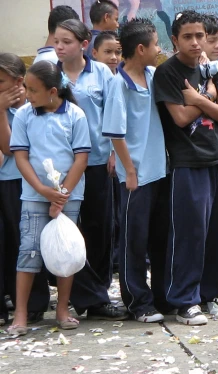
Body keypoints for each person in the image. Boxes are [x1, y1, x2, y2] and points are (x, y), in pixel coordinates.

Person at [153, 10, 218, 325]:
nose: (196, 42)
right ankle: (184, 301)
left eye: (200, 35)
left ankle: (208, 294)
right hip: (188, 163)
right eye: (187, 36)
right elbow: (180, 118)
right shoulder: (168, 74)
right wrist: (207, 96)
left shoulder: (214, 68)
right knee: (190, 233)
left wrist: (197, 98)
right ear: (174, 40)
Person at [8, 62, 90, 335]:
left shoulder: (75, 115)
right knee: (28, 251)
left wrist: (63, 193)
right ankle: (20, 314)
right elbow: (20, 156)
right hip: (34, 195)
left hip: (69, 195)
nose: (27, 95)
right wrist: (43, 190)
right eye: (26, 89)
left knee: (64, 250)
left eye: (33, 90)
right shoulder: (24, 115)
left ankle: (62, 308)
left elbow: (81, 158)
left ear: (53, 91)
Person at [56, 18, 127, 320]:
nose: (59, 47)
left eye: (67, 42)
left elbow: (113, 115)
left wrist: (114, 152)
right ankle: (78, 295)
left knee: (100, 228)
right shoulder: (51, 74)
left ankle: (97, 296)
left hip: (98, 160)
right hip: (62, 165)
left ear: (84, 45)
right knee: (69, 229)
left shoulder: (102, 74)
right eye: (57, 41)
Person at [102, 18, 169, 323]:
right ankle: (137, 301)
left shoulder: (153, 75)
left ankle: (160, 296)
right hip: (137, 176)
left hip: (159, 171)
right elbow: (115, 133)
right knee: (134, 240)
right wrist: (129, 170)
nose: (159, 49)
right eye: (155, 44)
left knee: (159, 237)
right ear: (141, 49)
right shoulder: (119, 84)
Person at [0, 55, 50, 328]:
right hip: (5, 181)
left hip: (26, 182)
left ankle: (35, 303)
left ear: (19, 83)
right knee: (9, 243)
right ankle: (14, 297)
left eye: (1, 82)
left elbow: (9, 148)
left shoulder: (30, 110)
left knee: (28, 242)